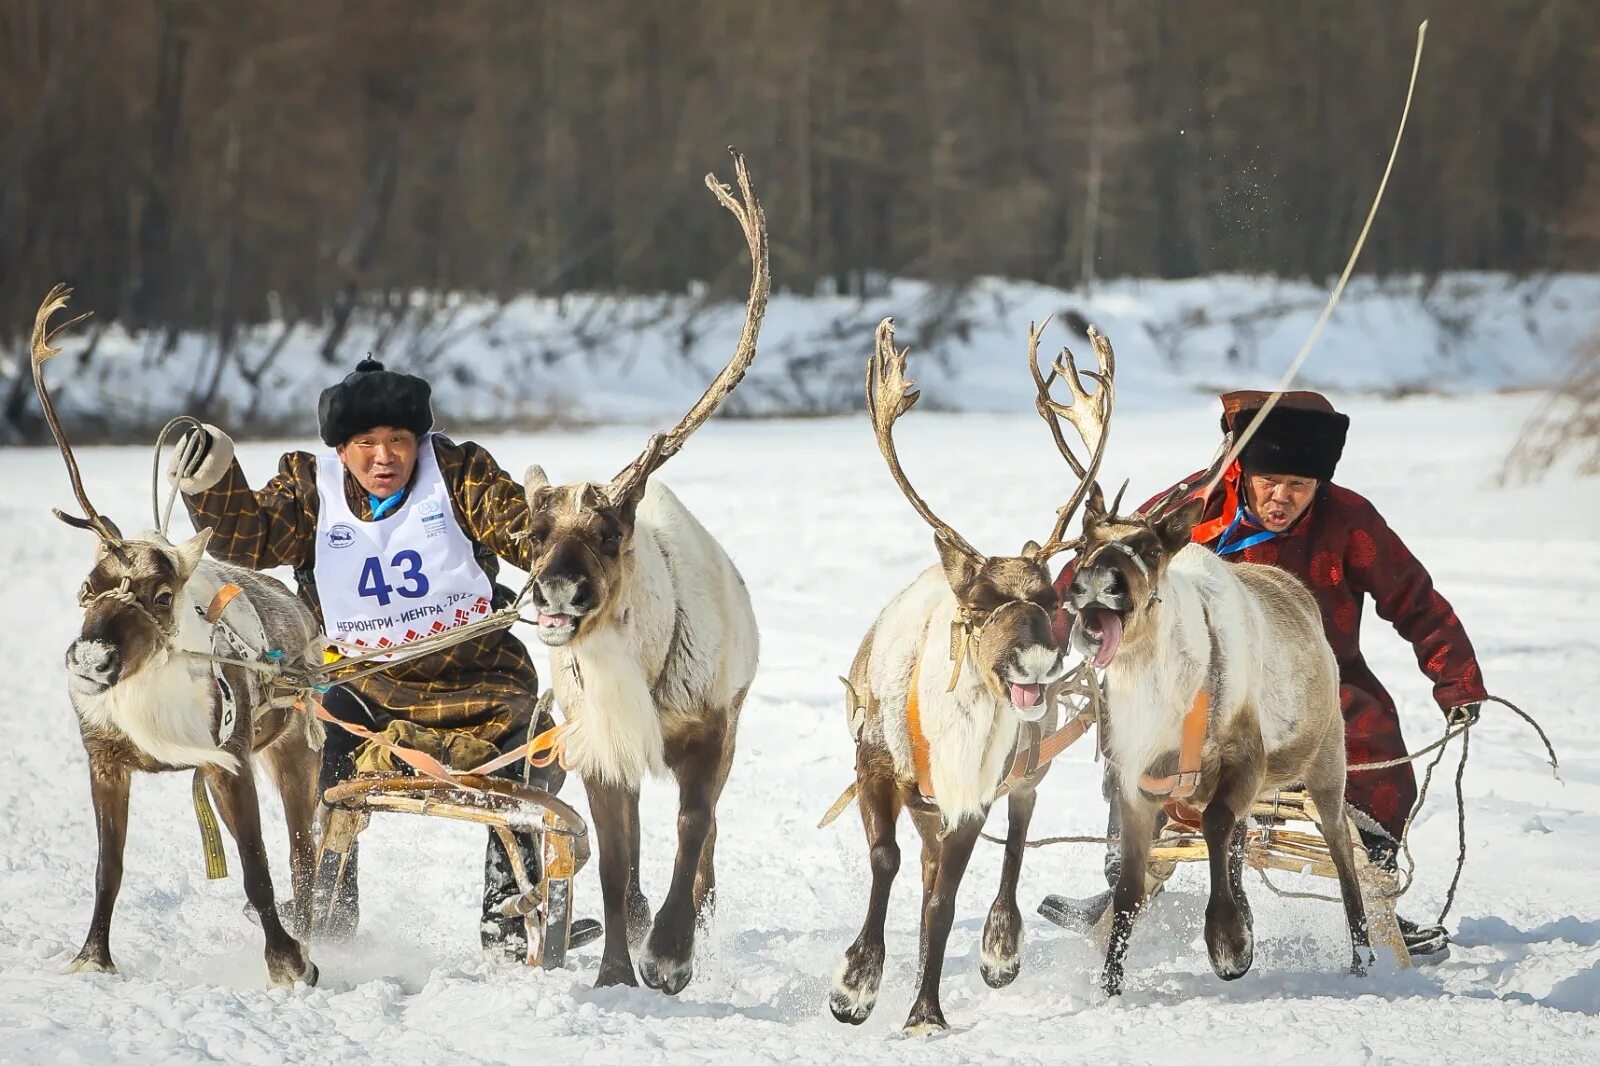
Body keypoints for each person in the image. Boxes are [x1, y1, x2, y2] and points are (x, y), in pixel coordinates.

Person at [170, 357, 598, 957]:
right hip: (367, 686)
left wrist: (572, 552)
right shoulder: (309, 490)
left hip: (479, 676)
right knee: (331, 750)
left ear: (418, 442)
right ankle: (329, 908)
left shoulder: (456, 473)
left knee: (536, 748)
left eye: (399, 441)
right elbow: (249, 538)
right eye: (366, 443)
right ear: (341, 449)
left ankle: (509, 912)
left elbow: (525, 532)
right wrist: (213, 477)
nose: (384, 457)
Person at [1039, 390, 1489, 960]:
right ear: (1244, 472)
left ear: (1320, 485)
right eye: (1270, 481)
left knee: (1375, 742)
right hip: (1194, 684)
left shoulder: (1351, 522)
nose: (1282, 497)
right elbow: (1099, 569)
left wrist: (1458, 682)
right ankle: (1123, 885)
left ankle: (1376, 895)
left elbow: (1415, 600)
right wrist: (1045, 647)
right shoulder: (1190, 510)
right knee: (1136, 734)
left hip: (1317, 680)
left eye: (1299, 486)